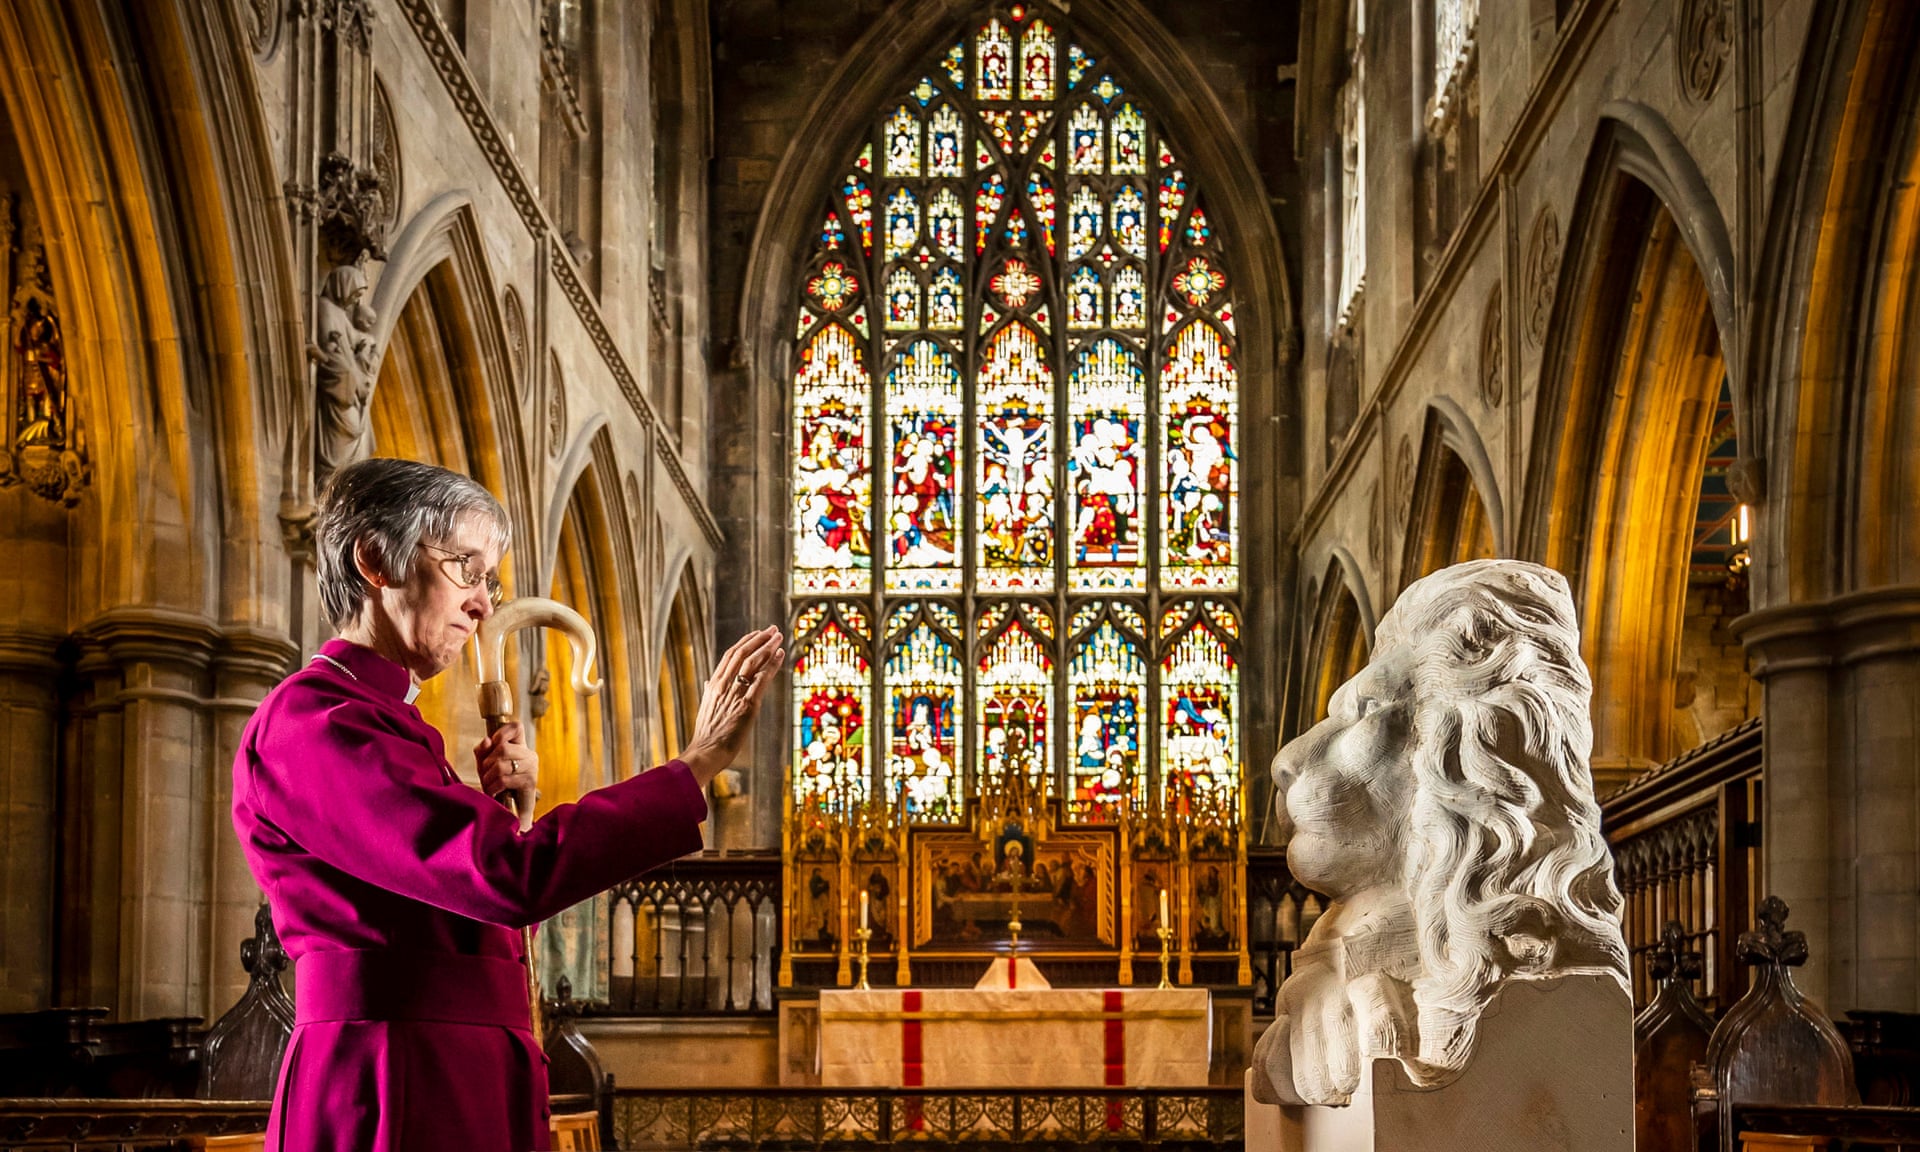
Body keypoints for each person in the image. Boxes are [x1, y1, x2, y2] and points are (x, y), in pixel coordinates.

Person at [232, 457, 784, 1151]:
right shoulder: (315, 720)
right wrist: (696, 765)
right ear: (375, 559)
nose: (484, 603)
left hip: (448, 1070)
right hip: (389, 1082)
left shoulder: (387, 719)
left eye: (489, 579)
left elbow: (463, 906)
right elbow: (504, 878)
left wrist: (510, 815)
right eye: (466, 568)